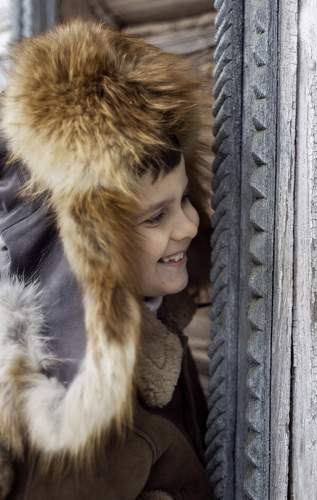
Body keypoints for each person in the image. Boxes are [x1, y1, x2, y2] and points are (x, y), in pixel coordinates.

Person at [0, 19, 213, 499]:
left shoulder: (154, 329)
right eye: (155, 217)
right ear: (81, 251)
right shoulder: (70, 431)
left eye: (184, 199)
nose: (188, 225)